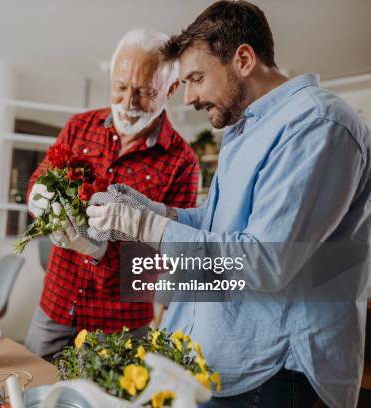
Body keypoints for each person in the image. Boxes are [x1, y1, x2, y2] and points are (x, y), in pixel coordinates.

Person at [86, 2, 370, 407]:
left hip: (278, 372)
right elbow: (217, 224)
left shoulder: (317, 125)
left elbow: (265, 261)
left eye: (197, 78)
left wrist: (145, 227)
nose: (189, 98)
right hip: (228, 362)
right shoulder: (244, 130)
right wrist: (150, 209)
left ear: (243, 59)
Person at [24, 28, 199, 360]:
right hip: (57, 307)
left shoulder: (183, 162)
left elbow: (168, 251)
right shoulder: (79, 127)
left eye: (145, 91)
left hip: (120, 325)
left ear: (171, 89)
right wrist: (39, 198)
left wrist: (101, 250)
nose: (129, 104)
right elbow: (40, 177)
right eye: (120, 88)